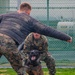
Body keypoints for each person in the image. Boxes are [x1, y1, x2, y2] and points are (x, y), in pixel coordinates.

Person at [0, 2, 72, 75]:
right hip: (8, 42)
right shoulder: (29, 20)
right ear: (28, 12)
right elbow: (47, 30)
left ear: (19, 9)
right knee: (21, 69)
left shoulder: (5, 15)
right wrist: (66, 37)